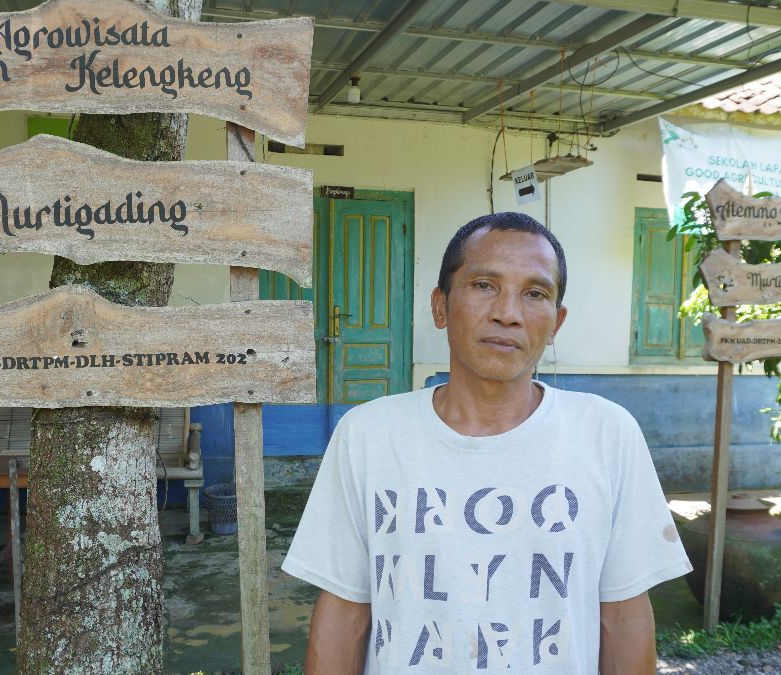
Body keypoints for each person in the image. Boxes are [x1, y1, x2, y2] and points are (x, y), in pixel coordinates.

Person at [282, 211, 691, 674]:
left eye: (535, 294)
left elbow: (623, 613)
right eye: (484, 285)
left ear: (556, 322)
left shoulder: (606, 434)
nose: (508, 313)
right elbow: (344, 610)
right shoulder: (370, 436)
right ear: (441, 306)